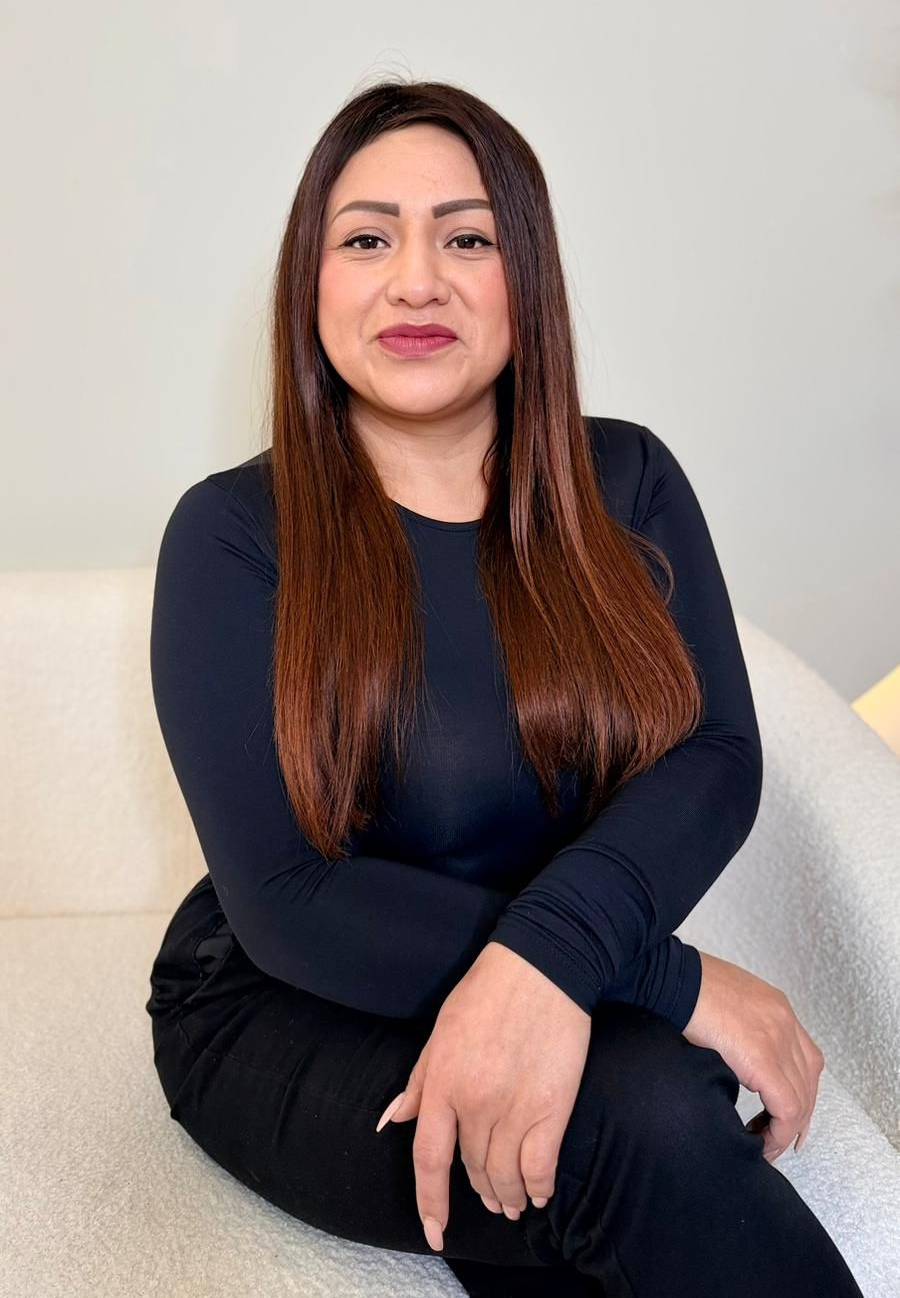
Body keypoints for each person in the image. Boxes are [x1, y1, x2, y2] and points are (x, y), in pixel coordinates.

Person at [145, 78, 864, 1297]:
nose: (415, 280)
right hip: (287, 997)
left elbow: (715, 755)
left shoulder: (626, 481)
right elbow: (287, 896)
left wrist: (558, 969)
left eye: (467, 237)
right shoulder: (233, 534)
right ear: (307, 283)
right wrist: (662, 976)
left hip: (554, 955)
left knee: (651, 1103)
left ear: (525, 278)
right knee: (643, 1113)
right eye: (367, 237)